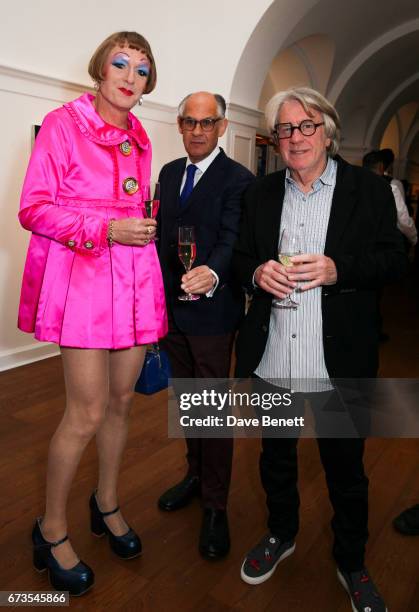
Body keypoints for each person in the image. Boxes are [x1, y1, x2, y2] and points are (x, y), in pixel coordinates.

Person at [233, 87, 407, 612]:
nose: (295, 138)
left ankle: (351, 560)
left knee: (346, 471)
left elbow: (396, 260)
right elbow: (241, 257)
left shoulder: (368, 191)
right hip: (275, 358)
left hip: (339, 360)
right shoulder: (260, 194)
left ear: (328, 132)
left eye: (306, 126)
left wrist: (339, 270)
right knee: (276, 460)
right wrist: (255, 272)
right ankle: (280, 533)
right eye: (284, 130)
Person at [18, 31, 166, 595]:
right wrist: (107, 228)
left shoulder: (141, 136)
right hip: (82, 280)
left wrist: (139, 229)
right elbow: (33, 209)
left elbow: (132, 201)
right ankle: (50, 529)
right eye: (121, 64)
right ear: (100, 71)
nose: (130, 77)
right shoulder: (62, 124)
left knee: (124, 400)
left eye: (142, 70)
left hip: (131, 278)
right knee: (85, 412)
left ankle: (105, 501)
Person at [156, 91, 254, 559]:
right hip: (172, 312)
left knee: (212, 410)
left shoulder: (239, 179)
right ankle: (194, 476)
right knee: (187, 401)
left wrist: (212, 272)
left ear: (222, 126)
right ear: (180, 125)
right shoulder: (169, 173)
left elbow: (234, 237)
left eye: (207, 122)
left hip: (214, 314)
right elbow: (161, 243)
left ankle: (216, 506)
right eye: (189, 122)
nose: (197, 130)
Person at [362, 150, 417, 247]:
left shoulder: (355, 183)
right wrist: (414, 238)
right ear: (381, 166)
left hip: (361, 240)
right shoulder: (392, 185)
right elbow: (402, 219)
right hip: (383, 243)